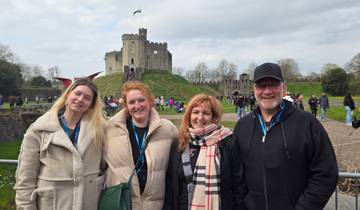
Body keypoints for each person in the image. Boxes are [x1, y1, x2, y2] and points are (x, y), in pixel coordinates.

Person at [233, 62, 338, 210]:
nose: (267, 91)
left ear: (284, 87)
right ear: (254, 89)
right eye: (261, 85)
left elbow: (326, 173)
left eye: (273, 84)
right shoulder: (242, 127)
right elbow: (237, 176)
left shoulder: (307, 123)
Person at [14, 78, 105, 210]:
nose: (80, 99)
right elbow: (25, 178)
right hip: (52, 204)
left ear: (91, 105)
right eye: (77, 94)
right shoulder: (39, 129)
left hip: (87, 202)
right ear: (68, 95)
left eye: (87, 98)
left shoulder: (99, 130)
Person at [103, 81, 178, 210]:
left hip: (155, 205)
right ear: (126, 106)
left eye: (141, 100)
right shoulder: (110, 129)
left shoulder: (167, 129)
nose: (137, 106)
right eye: (131, 102)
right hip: (123, 203)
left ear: (149, 101)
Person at [163, 94, 246, 210]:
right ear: (189, 115)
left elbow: (239, 184)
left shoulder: (227, 142)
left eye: (206, 113)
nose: (200, 117)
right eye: (196, 112)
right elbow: (171, 184)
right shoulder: (179, 143)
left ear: (213, 117)